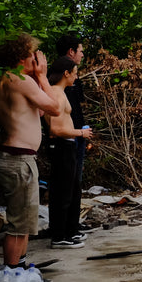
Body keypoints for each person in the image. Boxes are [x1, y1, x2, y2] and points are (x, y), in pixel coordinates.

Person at [0, 33, 62, 267]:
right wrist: (42, 76)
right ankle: (12, 275)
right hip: (18, 159)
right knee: (19, 224)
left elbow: (40, 112)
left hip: (16, 157)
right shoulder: (21, 80)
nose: (39, 59)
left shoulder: (6, 80)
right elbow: (54, 108)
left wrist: (38, 79)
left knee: (24, 223)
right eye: (35, 55)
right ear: (23, 56)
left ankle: (20, 268)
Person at [45, 57, 93, 248]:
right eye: (74, 72)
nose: (76, 76)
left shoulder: (60, 93)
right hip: (62, 146)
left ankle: (68, 231)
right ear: (66, 73)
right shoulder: (57, 94)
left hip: (68, 146)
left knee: (71, 190)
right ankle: (59, 236)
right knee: (63, 192)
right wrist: (80, 132)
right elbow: (55, 129)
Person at [55, 34, 87, 187]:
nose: (82, 54)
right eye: (80, 50)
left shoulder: (74, 77)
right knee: (68, 182)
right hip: (67, 137)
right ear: (71, 52)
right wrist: (77, 132)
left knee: (75, 180)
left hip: (77, 134)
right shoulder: (57, 81)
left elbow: (79, 101)